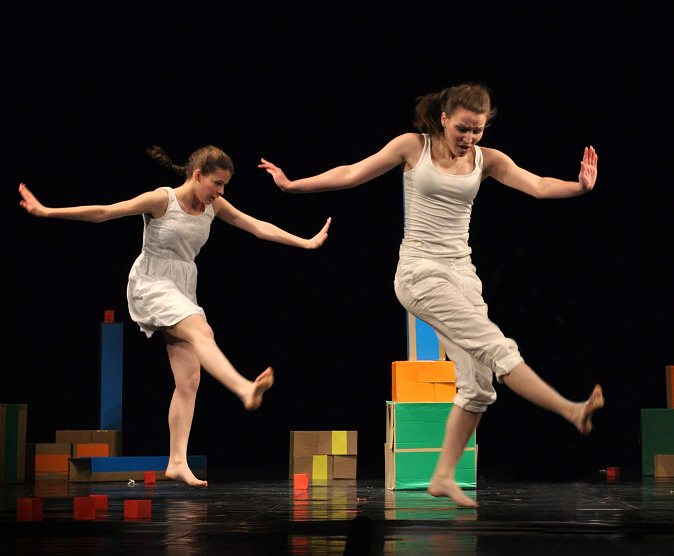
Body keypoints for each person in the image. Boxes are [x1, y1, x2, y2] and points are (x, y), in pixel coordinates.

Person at [258, 83, 603, 507]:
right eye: (462, 129)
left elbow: (538, 185)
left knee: (479, 386)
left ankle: (442, 476)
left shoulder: (487, 159)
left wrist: (578, 187)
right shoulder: (413, 147)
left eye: (477, 130)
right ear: (443, 119)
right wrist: (292, 185)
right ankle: (571, 410)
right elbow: (351, 173)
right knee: (497, 347)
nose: (469, 138)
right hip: (420, 273)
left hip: (463, 274)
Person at [19, 145, 331, 487]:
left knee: (189, 380)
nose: (220, 192)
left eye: (225, 185)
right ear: (197, 175)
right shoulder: (161, 200)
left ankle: (177, 462)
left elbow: (256, 226)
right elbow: (105, 212)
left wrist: (305, 242)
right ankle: (243, 388)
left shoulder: (214, 206)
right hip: (152, 282)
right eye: (217, 183)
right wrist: (46, 211)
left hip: (183, 287)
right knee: (202, 332)